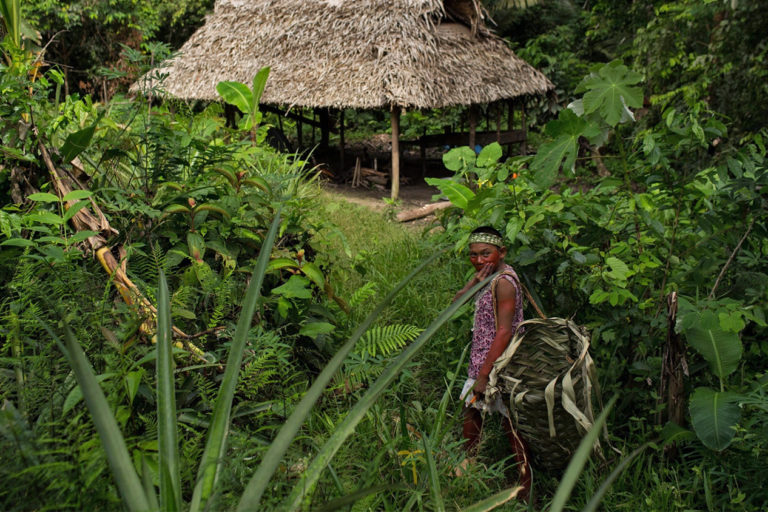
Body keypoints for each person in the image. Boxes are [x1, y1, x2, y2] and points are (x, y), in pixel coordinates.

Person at [453, 226, 531, 497]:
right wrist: (474, 282)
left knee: (512, 427)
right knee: (472, 413)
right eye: (473, 254)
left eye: (486, 253)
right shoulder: (488, 278)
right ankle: (466, 472)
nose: (479, 260)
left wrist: (485, 375)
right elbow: (455, 304)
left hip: (498, 366)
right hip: (482, 363)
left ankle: (524, 490)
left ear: (502, 252)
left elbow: (505, 331)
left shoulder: (504, 282)